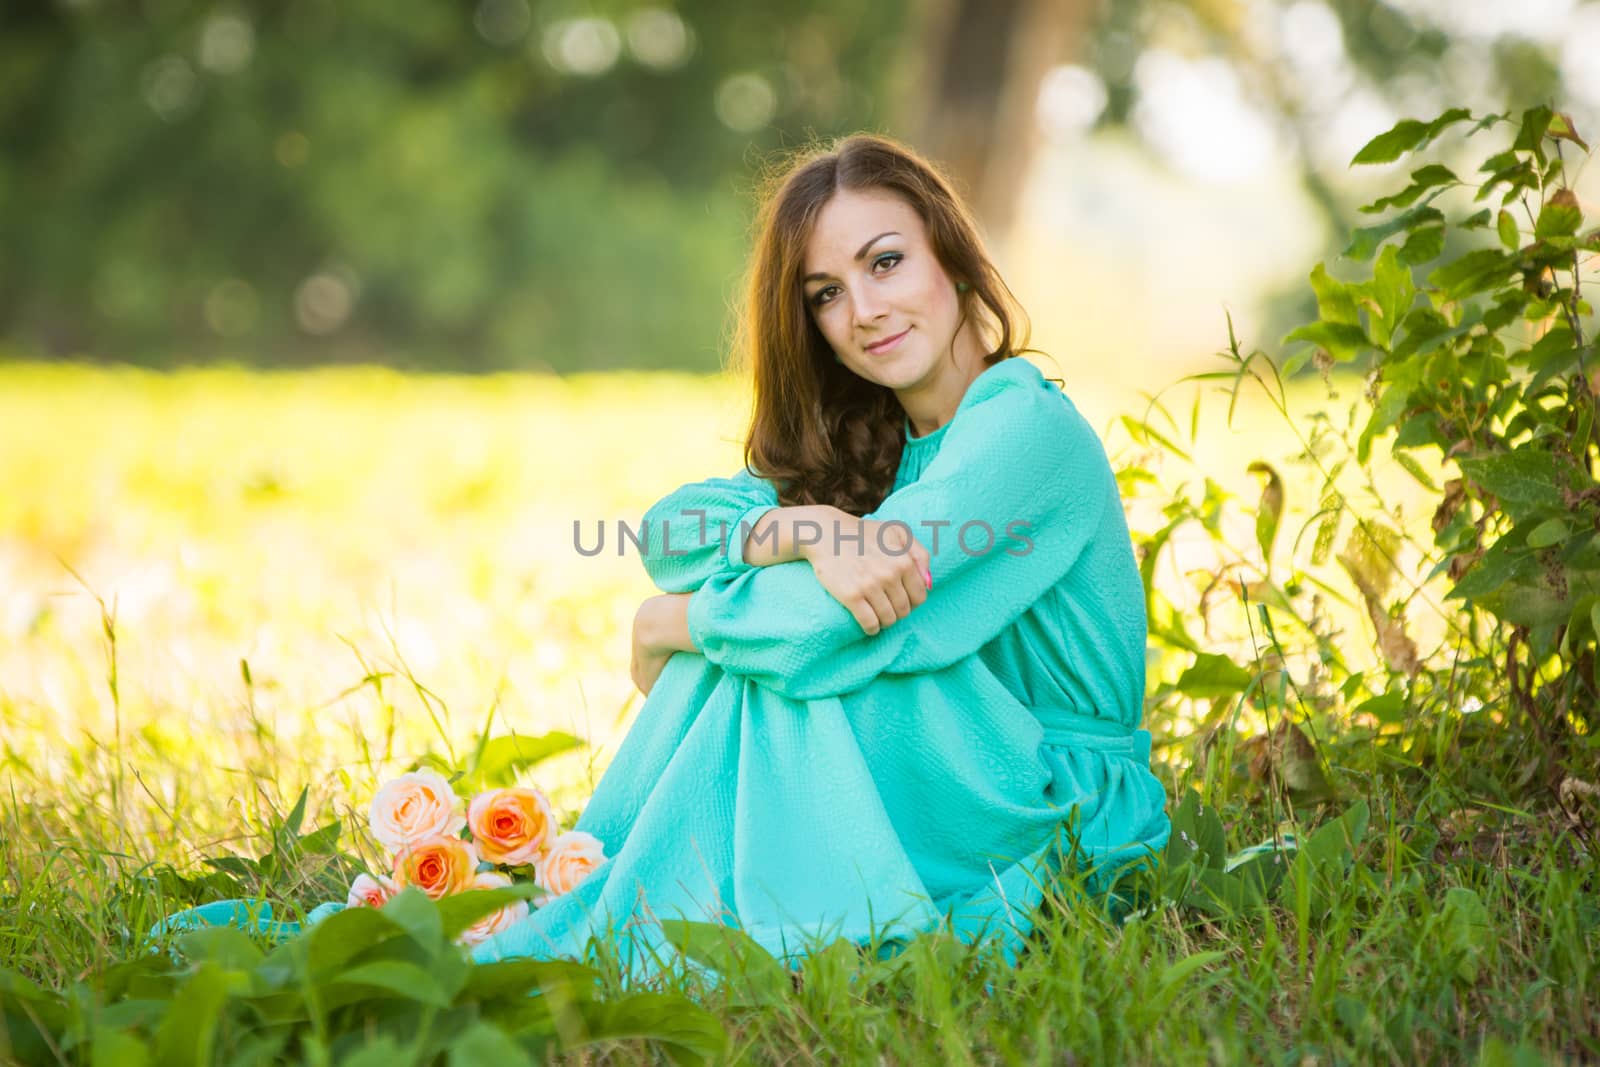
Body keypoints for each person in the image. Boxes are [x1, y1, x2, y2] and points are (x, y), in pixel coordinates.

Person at [466, 132, 1171, 972]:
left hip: (1056, 795)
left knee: (784, 659)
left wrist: (674, 620)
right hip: (961, 755)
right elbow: (670, 530)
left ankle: (632, 902)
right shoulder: (875, 439)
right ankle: (619, 887)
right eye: (827, 293)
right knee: (772, 649)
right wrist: (808, 528)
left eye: (886, 263)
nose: (864, 310)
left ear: (952, 255)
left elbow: (829, 624)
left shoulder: (1024, 429)